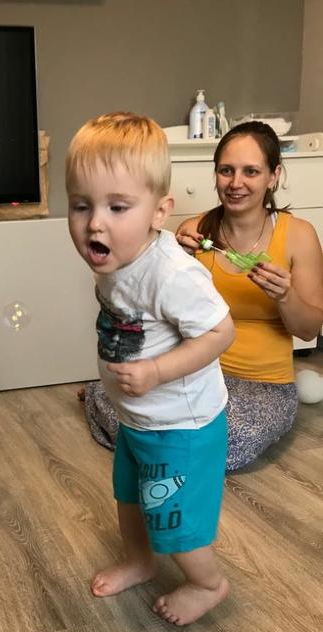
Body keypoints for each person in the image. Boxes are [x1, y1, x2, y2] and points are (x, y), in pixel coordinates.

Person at [66, 112, 235, 625]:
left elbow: (220, 332)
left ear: (159, 212)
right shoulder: (116, 259)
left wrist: (158, 371)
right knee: (129, 499)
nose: (95, 223)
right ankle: (140, 562)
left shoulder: (172, 274)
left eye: (117, 207)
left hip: (181, 427)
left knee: (173, 522)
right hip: (139, 420)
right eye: (81, 205)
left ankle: (208, 583)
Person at [80, 121, 323, 471]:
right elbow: (153, 309)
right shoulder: (193, 232)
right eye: (226, 170)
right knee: (146, 422)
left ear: (274, 176)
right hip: (192, 375)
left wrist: (285, 296)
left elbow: (308, 330)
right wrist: (169, 264)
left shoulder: (299, 235)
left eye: (251, 171)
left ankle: (104, 401)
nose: (236, 183)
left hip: (263, 385)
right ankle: (104, 397)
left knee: (224, 442)